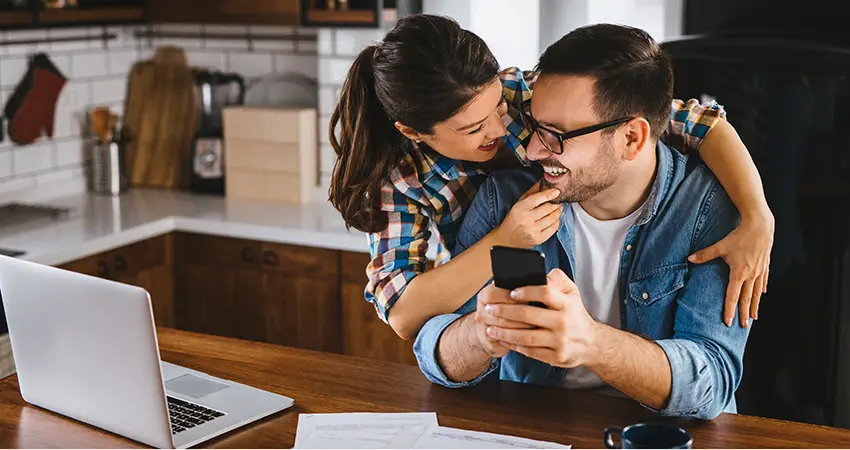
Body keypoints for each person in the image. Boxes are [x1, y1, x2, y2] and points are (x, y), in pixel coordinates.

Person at [329, 14, 774, 341]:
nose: (502, 129)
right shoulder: (399, 178)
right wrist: (503, 241)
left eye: (498, 107)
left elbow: (692, 122)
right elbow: (405, 315)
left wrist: (758, 216)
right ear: (413, 132)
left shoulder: (524, 92)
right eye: (473, 129)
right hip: (504, 304)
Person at [413, 24, 751, 420]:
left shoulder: (708, 209)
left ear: (631, 139)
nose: (534, 149)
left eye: (557, 135)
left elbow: (713, 379)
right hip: (537, 429)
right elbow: (433, 351)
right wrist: (481, 331)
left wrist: (591, 342)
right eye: (536, 126)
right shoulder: (505, 198)